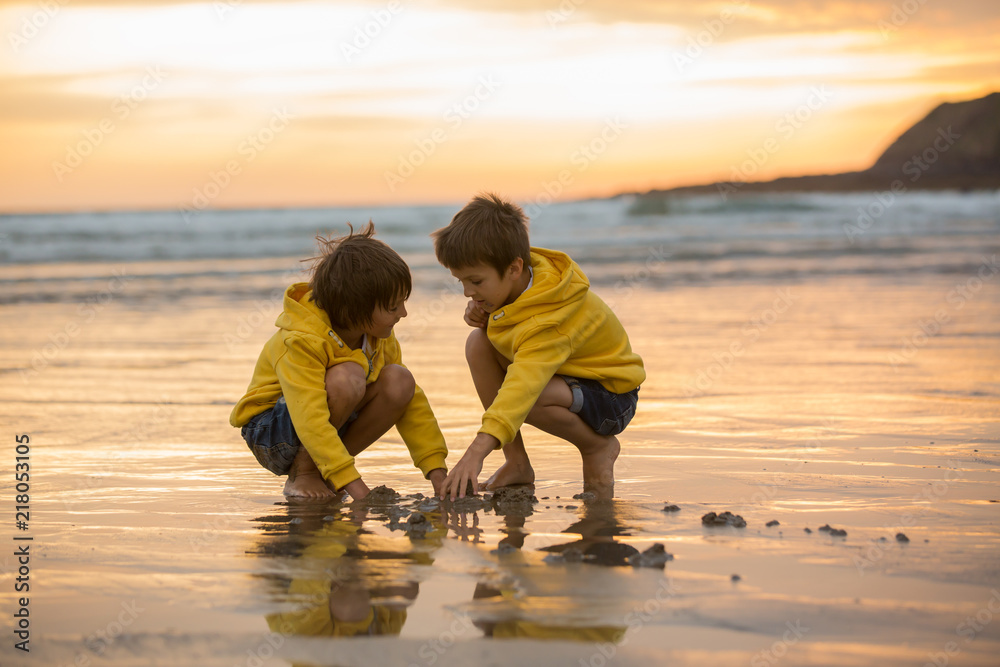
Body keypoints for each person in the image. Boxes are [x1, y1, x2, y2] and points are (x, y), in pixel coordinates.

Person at [432, 193, 644, 501]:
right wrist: (488, 316)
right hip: (568, 378)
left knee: (527, 396)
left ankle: (597, 446)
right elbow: (517, 336)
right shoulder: (518, 287)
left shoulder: (551, 319)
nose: (468, 292)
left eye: (476, 282)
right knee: (479, 343)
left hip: (611, 395)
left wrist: (475, 454)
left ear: (515, 268)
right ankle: (516, 463)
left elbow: (523, 384)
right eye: (461, 282)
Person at [230, 222, 448, 501]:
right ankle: (305, 473)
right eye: (393, 306)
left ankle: (325, 470)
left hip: (324, 426)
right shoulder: (302, 340)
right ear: (354, 308)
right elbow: (309, 416)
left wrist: (437, 472)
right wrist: (354, 486)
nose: (403, 313)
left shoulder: (377, 337)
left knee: (400, 380)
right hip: (272, 431)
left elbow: (411, 404)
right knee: (347, 377)